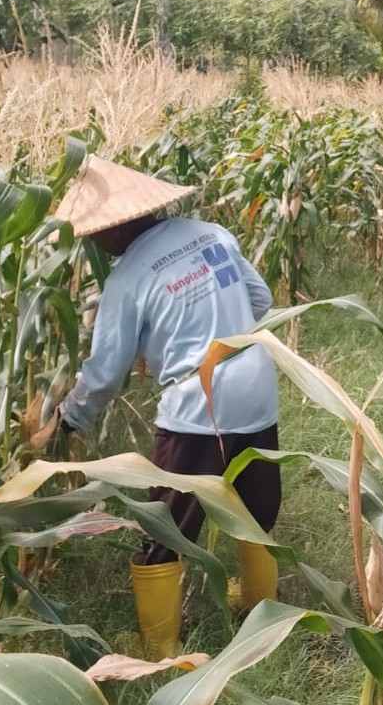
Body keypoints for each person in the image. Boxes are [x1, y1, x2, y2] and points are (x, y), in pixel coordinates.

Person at [53, 155, 282, 659]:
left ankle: (160, 651)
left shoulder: (127, 278)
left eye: (94, 233)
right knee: (255, 508)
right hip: (258, 385)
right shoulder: (213, 233)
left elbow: (104, 373)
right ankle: (259, 612)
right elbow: (259, 299)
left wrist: (70, 419)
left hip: (197, 409)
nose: (92, 242)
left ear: (115, 228)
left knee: (166, 525)